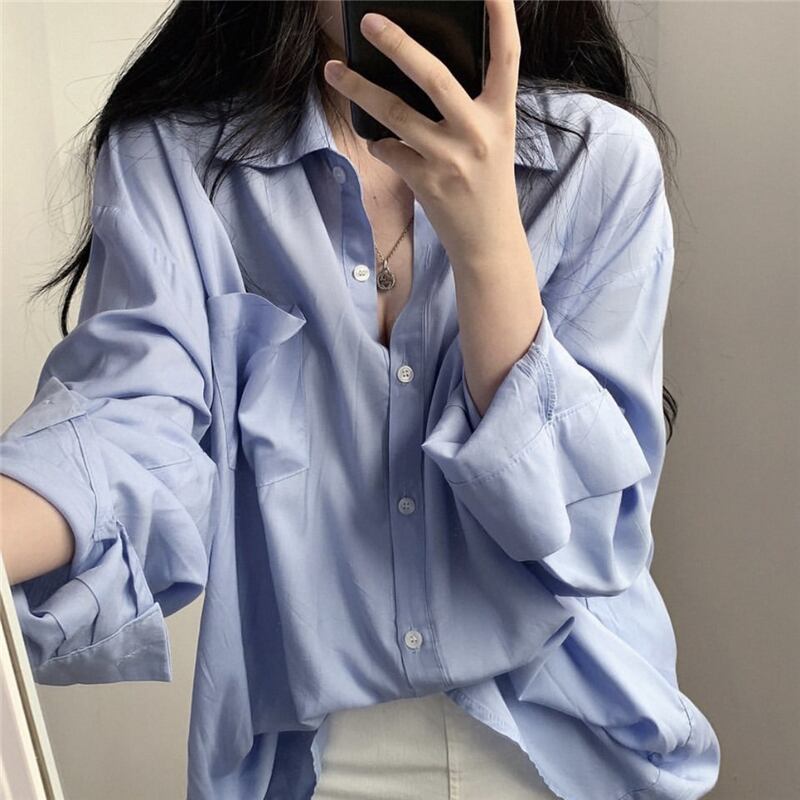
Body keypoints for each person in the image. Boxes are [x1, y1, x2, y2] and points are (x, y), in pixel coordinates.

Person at [0, 1, 721, 798]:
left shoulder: (598, 159)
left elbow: (590, 536)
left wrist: (488, 245)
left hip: (575, 739)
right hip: (316, 759)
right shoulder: (177, 162)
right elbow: (126, 424)